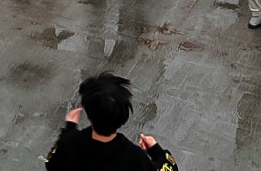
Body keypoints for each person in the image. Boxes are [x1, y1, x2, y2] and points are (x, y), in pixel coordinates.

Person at [44, 73, 173, 171]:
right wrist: (156, 151)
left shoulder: (70, 142)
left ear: (88, 115)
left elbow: (51, 163)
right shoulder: (134, 156)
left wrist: (70, 128)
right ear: (123, 115)